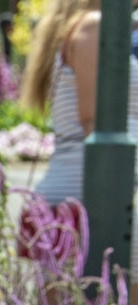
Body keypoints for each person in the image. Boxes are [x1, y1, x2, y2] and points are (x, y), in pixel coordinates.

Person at [21, 0, 138, 277]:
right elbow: (96, 121)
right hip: (96, 198)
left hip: (84, 194)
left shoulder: (87, 26)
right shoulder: (94, 26)